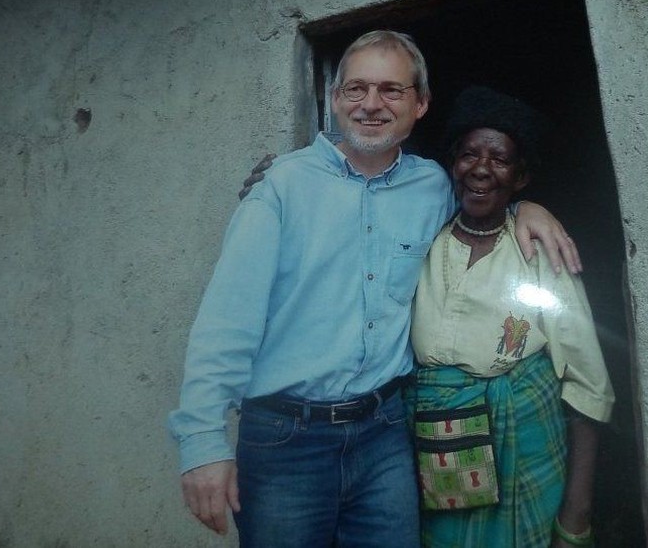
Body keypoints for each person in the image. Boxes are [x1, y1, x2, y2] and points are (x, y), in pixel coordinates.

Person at [167, 31, 580, 547]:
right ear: (336, 100)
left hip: (384, 433)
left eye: (391, 90)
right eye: (356, 89)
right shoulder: (282, 188)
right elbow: (226, 323)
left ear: (421, 103)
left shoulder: (432, 188)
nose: (371, 104)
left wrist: (527, 208)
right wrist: (204, 443)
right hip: (285, 441)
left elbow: (485, 204)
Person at [407, 86, 614, 547]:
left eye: (498, 159)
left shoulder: (540, 252)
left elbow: (587, 383)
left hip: (527, 448)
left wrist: (577, 515)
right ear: (452, 166)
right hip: (436, 451)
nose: (481, 169)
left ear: (520, 178)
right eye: (469, 155)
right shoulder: (421, 241)